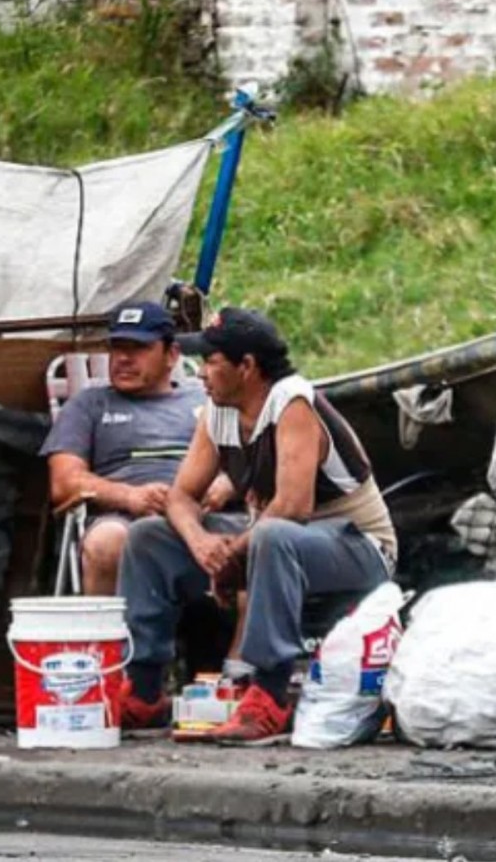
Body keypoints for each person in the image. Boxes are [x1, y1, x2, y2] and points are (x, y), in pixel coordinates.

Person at [116, 307, 398, 743]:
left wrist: (231, 552)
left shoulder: (293, 403)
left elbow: (292, 507)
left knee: (272, 533)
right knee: (148, 537)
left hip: (359, 548)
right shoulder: (218, 410)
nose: (202, 373)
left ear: (246, 367)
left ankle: (270, 693)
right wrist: (201, 544)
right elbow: (181, 496)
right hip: (276, 544)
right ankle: (145, 687)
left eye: (212, 362)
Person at [39, 301, 209, 596]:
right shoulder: (88, 405)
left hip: (203, 511)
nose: (123, 359)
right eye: (117, 348)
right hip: (122, 518)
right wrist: (130, 496)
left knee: (258, 538)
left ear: (171, 355)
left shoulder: (204, 401)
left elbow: (246, 460)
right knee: (106, 543)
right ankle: (111, 641)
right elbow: (64, 482)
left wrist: (221, 486)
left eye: (139, 348)